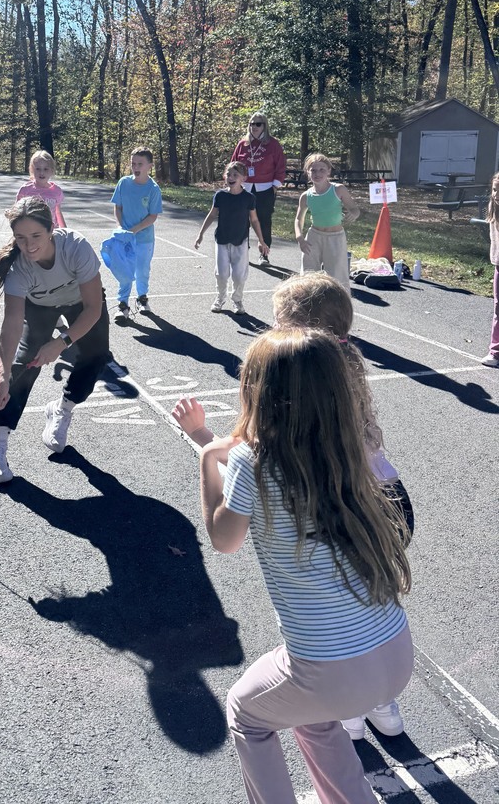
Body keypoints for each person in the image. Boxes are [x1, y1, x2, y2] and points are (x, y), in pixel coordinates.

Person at [173, 328, 412, 804]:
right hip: (394, 654)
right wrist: (207, 437)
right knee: (310, 714)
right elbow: (256, 467)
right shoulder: (345, 449)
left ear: (257, 392)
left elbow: (224, 538)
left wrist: (204, 456)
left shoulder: (253, 461)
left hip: (329, 669)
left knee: (246, 711)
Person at [272, 271, 413, 739]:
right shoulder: (350, 359)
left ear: (300, 332)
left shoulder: (301, 376)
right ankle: (383, 705)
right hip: (387, 496)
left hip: (344, 504)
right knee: (371, 594)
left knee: (330, 604)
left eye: (279, 325)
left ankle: (349, 711)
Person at [0, 197, 109, 486]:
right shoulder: (18, 268)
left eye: (36, 236)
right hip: (40, 306)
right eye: (20, 238)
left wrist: (61, 343)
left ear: (52, 228)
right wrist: (1, 377)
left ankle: (62, 409)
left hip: (82, 304)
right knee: (25, 361)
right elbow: (12, 323)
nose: (28, 246)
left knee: (97, 354)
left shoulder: (76, 247)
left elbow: (93, 309)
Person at [194, 161, 268, 314]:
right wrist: (201, 234)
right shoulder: (220, 195)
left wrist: (261, 241)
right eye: (229, 174)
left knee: (239, 276)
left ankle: (237, 300)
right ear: (224, 176)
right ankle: (220, 298)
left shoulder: (249, 198)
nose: (231, 177)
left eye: (236, 175)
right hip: (222, 240)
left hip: (240, 240)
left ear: (243, 179)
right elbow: (212, 214)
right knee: (221, 273)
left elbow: (254, 220)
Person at [111, 146, 162, 320]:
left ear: (150, 166)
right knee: (125, 271)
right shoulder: (123, 183)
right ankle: (122, 304)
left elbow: (152, 216)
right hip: (124, 239)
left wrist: (134, 230)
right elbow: (118, 207)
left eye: (140, 163)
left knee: (142, 270)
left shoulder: (153, 189)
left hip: (144, 239)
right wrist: (120, 227)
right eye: (133, 163)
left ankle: (142, 299)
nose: (136, 167)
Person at [294, 153, 360, 289]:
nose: (317, 173)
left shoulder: (338, 189)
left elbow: (354, 208)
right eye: (313, 170)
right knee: (309, 275)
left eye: (322, 170)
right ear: (308, 172)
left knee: (337, 276)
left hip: (335, 238)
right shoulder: (306, 196)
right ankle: (309, 305)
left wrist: (353, 213)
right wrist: (300, 238)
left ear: (329, 171)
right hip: (313, 237)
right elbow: (298, 219)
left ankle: (341, 307)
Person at [230, 112, 286, 264]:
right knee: (242, 220)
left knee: (263, 222)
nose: (254, 127)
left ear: (265, 126)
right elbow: (233, 165)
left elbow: (280, 167)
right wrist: (234, 183)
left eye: (258, 124)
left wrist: (275, 186)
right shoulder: (243, 144)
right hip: (244, 188)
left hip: (265, 189)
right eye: (252, 123)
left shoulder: (273, 144)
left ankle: (264, 254)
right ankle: (242, 251)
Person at [16, 150, 65, 227]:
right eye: (38, 169)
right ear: (32, 169)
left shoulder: (56, 191)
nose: (42, 173)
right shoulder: (25, 190)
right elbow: (17, 211)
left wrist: (65, 230)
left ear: (52, 171)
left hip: (51, 231)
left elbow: (58, 212)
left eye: (46, 169)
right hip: (31, 231)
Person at [481, 170, 499, 367]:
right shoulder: (493, 207)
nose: (496, 194)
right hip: (498, 264)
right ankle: (495, 351)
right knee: (498, 309)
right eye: (494, 190)